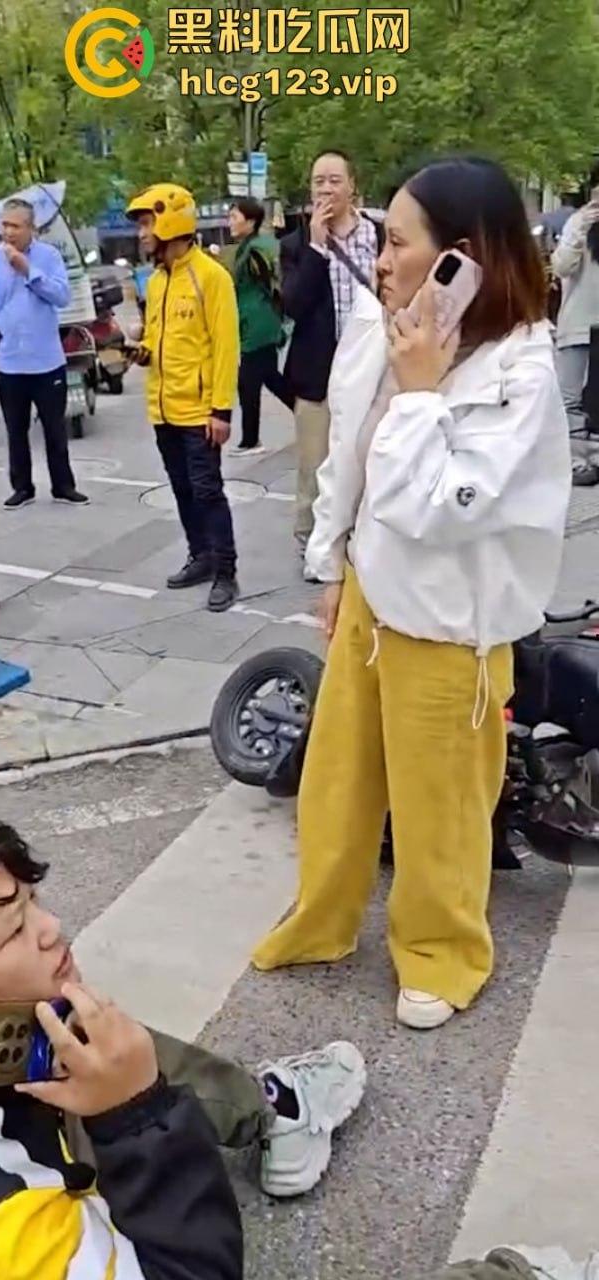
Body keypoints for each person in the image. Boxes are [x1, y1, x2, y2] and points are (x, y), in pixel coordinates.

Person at [252, 157, 571, 1030]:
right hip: (371, 596)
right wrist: (333, 566)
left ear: (461, 258)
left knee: (440, 808)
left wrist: (423, 395)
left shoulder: (519, 371)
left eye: (397, 243)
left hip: (449, 625)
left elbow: (439, 507)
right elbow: (348, 454)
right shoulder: (396, 328)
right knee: (337, 782)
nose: (382, 260)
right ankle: (321, 919)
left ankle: (442, 951)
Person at [0, 812, 366, 1278]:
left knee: (75, 1028)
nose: (51, 927)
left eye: (33, 903)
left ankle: (261, 1107)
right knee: (92, 1046)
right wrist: (137, 1116)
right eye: (16, 931)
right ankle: (274, 1113)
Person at [126, 183, 241, 613]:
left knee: (208, 491)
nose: (142, 233)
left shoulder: (211, 277)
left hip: (199, 411)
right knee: (182, 489)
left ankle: (226, 571)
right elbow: (157, 336)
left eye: (147, 223)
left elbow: (226, 347)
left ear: (171, 221)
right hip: (163, 408)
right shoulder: (157, 281)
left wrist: (221, 410)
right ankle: (201, 556)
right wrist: (142, 351)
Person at [280, 150, 380, 560]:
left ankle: (360, 540)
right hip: (318, 371)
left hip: (372, 369)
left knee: (368, 459)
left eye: (335, 180)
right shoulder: (295, 244)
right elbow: (294, 305)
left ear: (352, 185)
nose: (326, 189)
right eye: (318, 181)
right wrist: (317, 249)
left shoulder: (379, 235)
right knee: (314, 464)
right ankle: (311, 543)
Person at [0, 198, 89, 510]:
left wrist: (28, 270)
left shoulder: (48, 256)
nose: (8, 232)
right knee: (16, 431)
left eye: (15, 226)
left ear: (31, 228)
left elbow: (62, 296)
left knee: (55, 429)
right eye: (5, 225)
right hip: (9, 361)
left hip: (47, 360)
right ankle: (22, 487)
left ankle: (63, 486)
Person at [228, 196, 294, 456]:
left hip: (258, 324)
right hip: (258, 322)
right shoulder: (253, 246)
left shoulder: (256, 250)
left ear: (250, 221)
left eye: (234, 217)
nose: (230, 222)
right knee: (269, 378)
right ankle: (310, 415)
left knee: (249, 381)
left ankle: (250, 440)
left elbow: (271, 282)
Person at [552, 165, 599, 487]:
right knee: (569, 397)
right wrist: (582, 227)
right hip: (579, 323)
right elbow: (561, 266)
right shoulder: (578, 222)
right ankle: (574, 460)